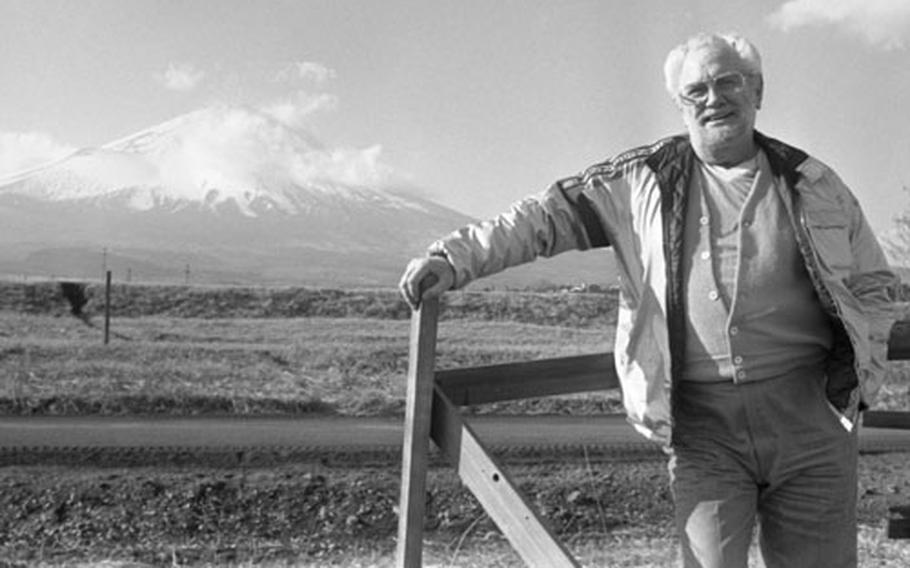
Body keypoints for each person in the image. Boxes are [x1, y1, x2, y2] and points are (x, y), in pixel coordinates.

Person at [398, 32, 899, 568]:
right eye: (696, 90)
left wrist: (858, 377)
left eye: (728, 82)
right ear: (680, 105)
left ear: (757, 90)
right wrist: (452, 259)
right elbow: (542, 218)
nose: (714, 99)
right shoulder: (640, 180)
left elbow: (874, 284)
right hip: (704, 432)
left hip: (811, 423)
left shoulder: (813, 182)